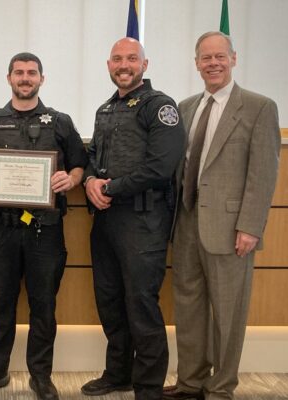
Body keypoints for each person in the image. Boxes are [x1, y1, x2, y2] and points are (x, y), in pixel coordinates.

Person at [163, 31, 280, 400]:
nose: (212, 63)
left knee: (228, 314)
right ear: (196, 63)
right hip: (186, 224)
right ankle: (191, 381)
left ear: (233, 59)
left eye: (219, 57)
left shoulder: (259, 107)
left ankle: (221, 386)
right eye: (205, 58)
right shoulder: (185, 107)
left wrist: (250, 226)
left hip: (231, 230)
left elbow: (263, 173)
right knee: (189, 307)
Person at [0, 52, 88, 400]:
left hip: (44, 229)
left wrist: (71, 178)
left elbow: (80, 165)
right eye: (19, 72)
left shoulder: (60, 122)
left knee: (43, 303)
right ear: (9, 78)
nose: (25, 78)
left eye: (31, 73)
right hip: (2, 229)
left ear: (41, 79)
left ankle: (41, 375)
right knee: (0, 300)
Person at [81, 38, 185, 400]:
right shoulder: (105, 109)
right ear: (108, 65)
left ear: (145, 64)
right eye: (116, 59)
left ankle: (149, 387)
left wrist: (110, 188)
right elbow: (93, 155)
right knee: (110, 300)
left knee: (141, 303)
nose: (123, 65)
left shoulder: (160, 107)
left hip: (144, 221)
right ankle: (117, 374)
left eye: (131, 59)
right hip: (107, 221)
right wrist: (91, 181)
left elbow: (161, 166)